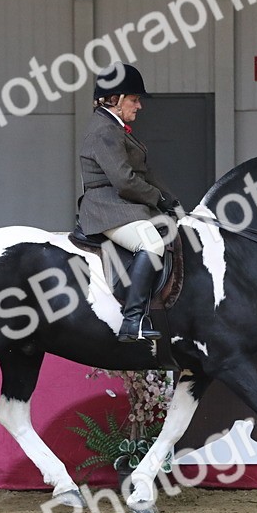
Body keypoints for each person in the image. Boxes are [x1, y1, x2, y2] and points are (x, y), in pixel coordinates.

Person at [77, 64, 178, 342]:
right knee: (151, 243)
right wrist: (157, 199)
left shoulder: (117, 128)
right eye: (134, 99)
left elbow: (145, 173)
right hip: (107, 208)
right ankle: (132, 320)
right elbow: (124, 180)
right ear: (116, 99)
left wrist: (172, 201)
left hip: (123, 206)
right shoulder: (104, 131)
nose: (139, 106)